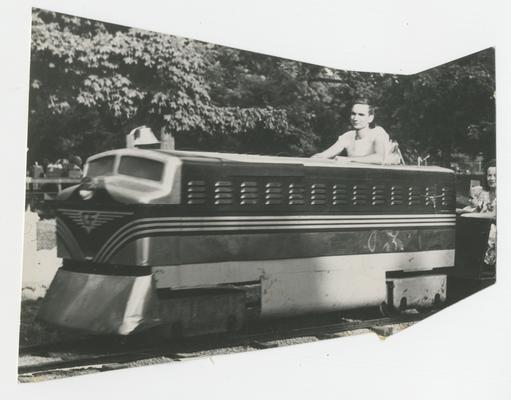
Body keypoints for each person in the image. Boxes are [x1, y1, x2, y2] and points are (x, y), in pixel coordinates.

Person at [312, 98, 399, 164]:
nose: (355, 118)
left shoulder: (378, 133)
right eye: (353, 114)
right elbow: (324, 155)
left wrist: (349, 159)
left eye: (361, 115)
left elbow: (379, 158)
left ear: (370, 118)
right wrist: (314, 158)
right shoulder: (348, 136)